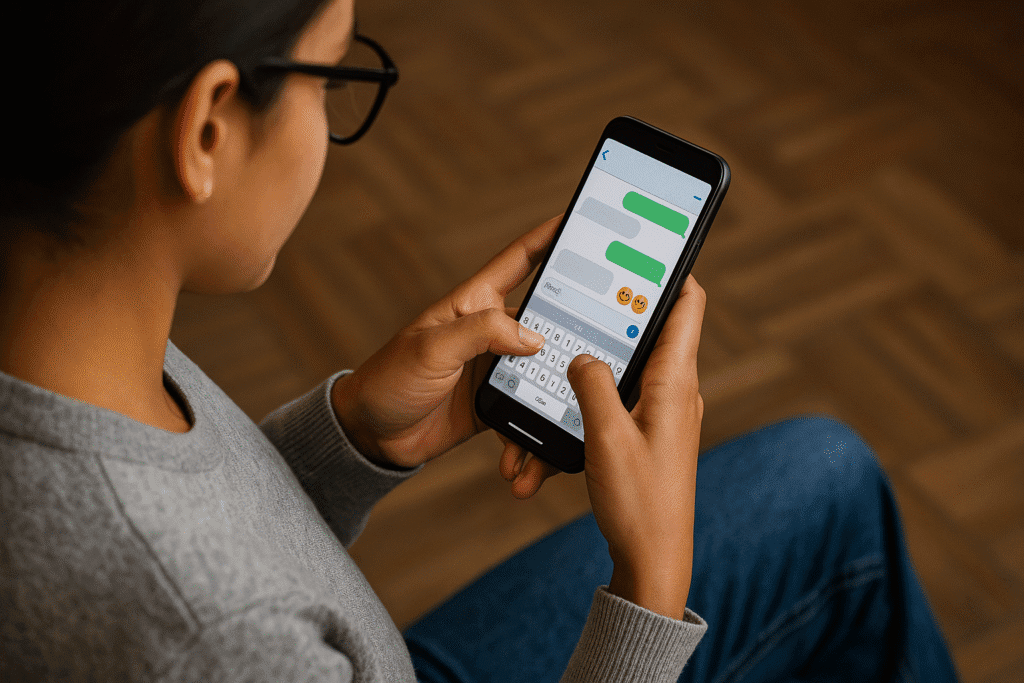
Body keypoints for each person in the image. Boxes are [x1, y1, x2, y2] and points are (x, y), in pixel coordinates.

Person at [0, 0, 959, 681]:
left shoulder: (58, 321)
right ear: (208, 128)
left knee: (826, 472)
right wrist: (651, 595)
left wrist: (350, 440)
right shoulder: (221, 643)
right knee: (838, 495)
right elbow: (199, 599)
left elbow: (170, 511)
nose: (332, 121)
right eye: (334, 78)